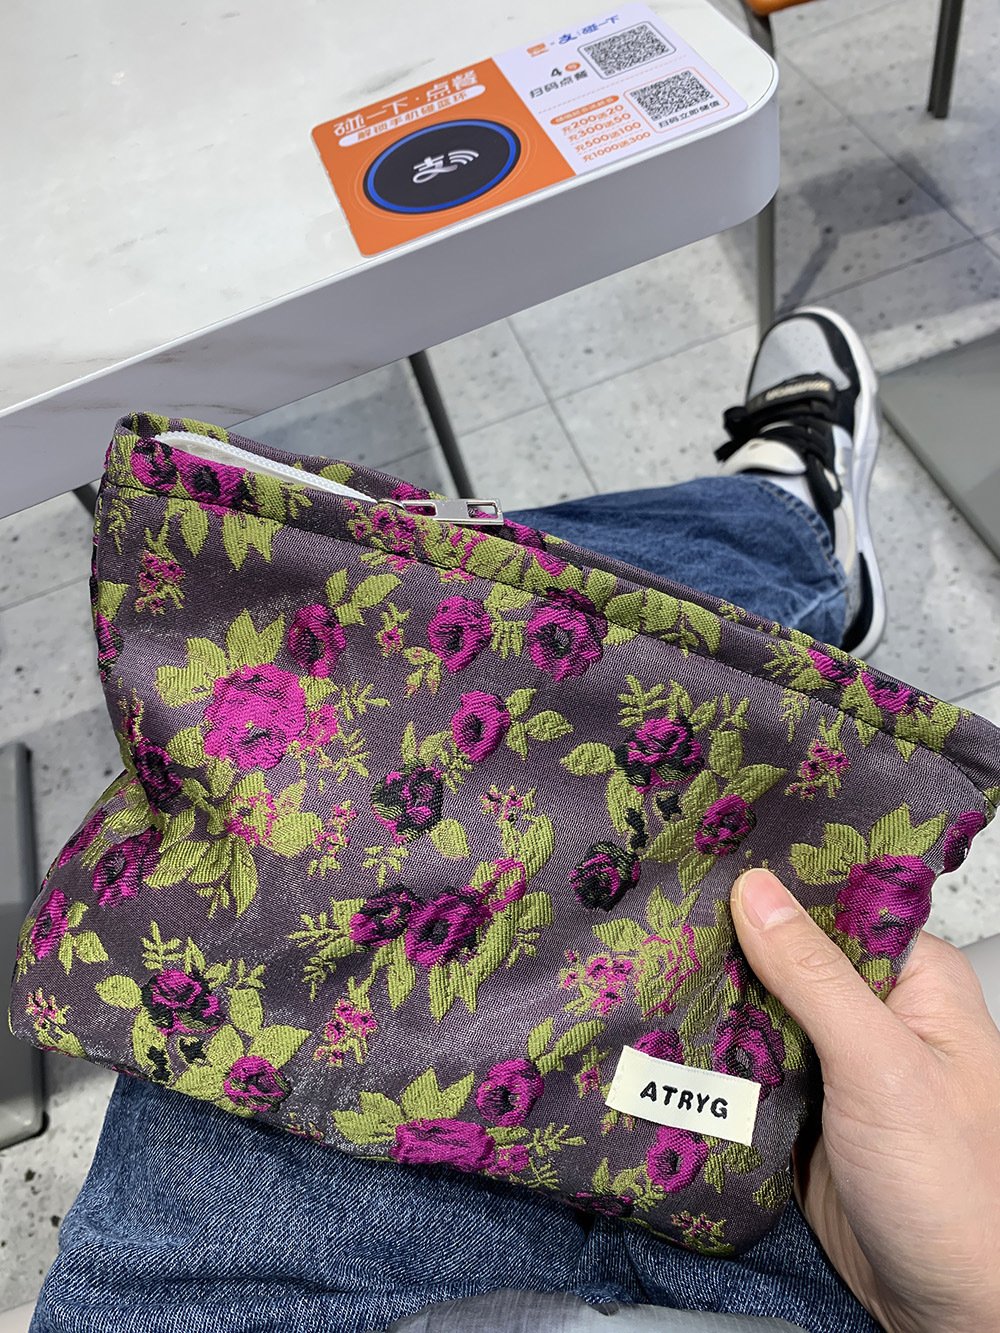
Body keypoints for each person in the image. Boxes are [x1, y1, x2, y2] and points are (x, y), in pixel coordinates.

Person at [28, 310, 1000, 1333]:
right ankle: (787, 521)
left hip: (235, 1276)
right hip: (814, 1235)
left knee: (500, 617)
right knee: (558, 629)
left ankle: (780, 524)